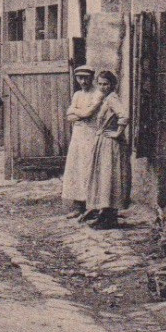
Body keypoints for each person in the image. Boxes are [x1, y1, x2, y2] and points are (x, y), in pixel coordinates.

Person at [84, 70, 131, 228]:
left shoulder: (112, 99)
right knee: (104, 179)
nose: (103, 87)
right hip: (104, 143)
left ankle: (110, 217)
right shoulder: (105, 99)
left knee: (110, 178)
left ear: (113, 85)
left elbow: (124, 116)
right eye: (100, 84)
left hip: (111, 145)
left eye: (106, 84)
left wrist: (117, 133)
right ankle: (104, 214)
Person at [62, 66, 103, 221]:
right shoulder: (77, 94)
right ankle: (78, 206)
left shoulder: (97, 94)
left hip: (91, 135)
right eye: (80, 78)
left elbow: (88, 113)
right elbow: (68, 114)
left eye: (86, 78)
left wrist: (77, 113)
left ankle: (92, 206)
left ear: (92, 77)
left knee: (89, 168)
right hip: (78, 135)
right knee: (76, 168)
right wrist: (78, 113)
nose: (83, 81)